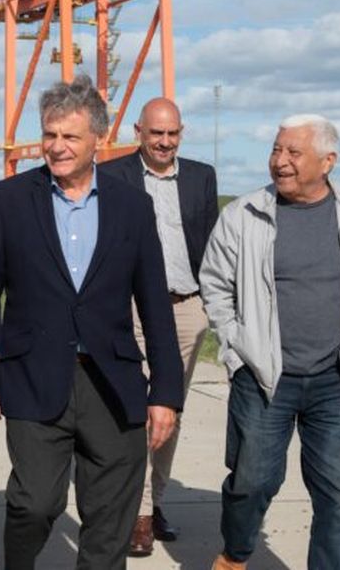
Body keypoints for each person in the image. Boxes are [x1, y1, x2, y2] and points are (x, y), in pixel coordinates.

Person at [0, 75, 184, 569]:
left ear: (97, 140)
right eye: (49, 135)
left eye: (70, 137)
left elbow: (154, 303)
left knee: (109, 519)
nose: (56, 147)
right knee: (34, 502)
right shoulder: (8, 200)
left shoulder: (132, 206)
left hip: (113, 381)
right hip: (32, 376)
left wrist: (166, 392)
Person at [200, 114, 340, 570]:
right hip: (265, 376)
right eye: (276, 150)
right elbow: (215, 284)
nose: (280, 162)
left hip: (337, 380)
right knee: (251, 482)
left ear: (328, 161)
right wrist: (235, 349)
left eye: (293, 152)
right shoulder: (243, 215)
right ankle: (235, 553)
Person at [99, 97, 218, 555]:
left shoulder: (202, 177)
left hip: (186, 309)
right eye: (156, 134)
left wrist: (212, 304)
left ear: (181, 133)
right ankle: (139, 511)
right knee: (135, 409)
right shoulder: (113, 176)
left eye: (172, 134)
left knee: (170, 411)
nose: (164, 142)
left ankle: (155, 501)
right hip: (130, 310)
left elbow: (209, 243)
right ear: (138, 132)